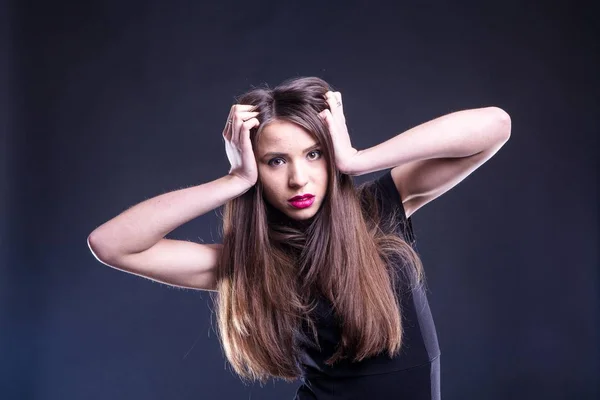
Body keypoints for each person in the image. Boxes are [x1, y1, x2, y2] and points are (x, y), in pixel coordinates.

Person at [87, 76, 511, 399]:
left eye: (313, 154)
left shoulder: (379, 211)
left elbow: (494, 124)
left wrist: (359, 160)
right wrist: (234, 180)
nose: (298, 178)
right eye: (275, 161)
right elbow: (112, 244)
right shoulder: (252, 261)